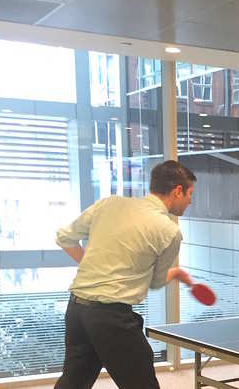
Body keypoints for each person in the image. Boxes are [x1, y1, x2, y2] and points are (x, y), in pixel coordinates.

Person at [54, 160, 197, 389]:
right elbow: (157, 281)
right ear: (177, 190)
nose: (190, 200)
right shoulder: (169, 231)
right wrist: (175, 273)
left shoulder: (109, 204)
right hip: (111, 317)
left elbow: (64, 237)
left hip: (77, 311)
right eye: (190, 193)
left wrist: (91, 265)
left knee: (74, 382)